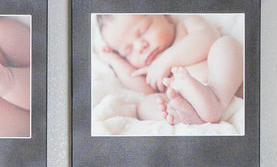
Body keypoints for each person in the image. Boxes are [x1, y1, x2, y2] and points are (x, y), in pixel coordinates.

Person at [97, 13, 243, 127]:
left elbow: (208, 37)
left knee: (226, 44)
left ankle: (216, 100)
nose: (140, 46)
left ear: (167, 16)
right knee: (144, 106)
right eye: (127, 51)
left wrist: (165, 61)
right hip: (190, 106)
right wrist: (115, 61)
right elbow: (143, 90)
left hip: (224, 89)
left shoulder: (186, 26)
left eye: (143, 31)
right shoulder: (149, 68)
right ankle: (187, 117)